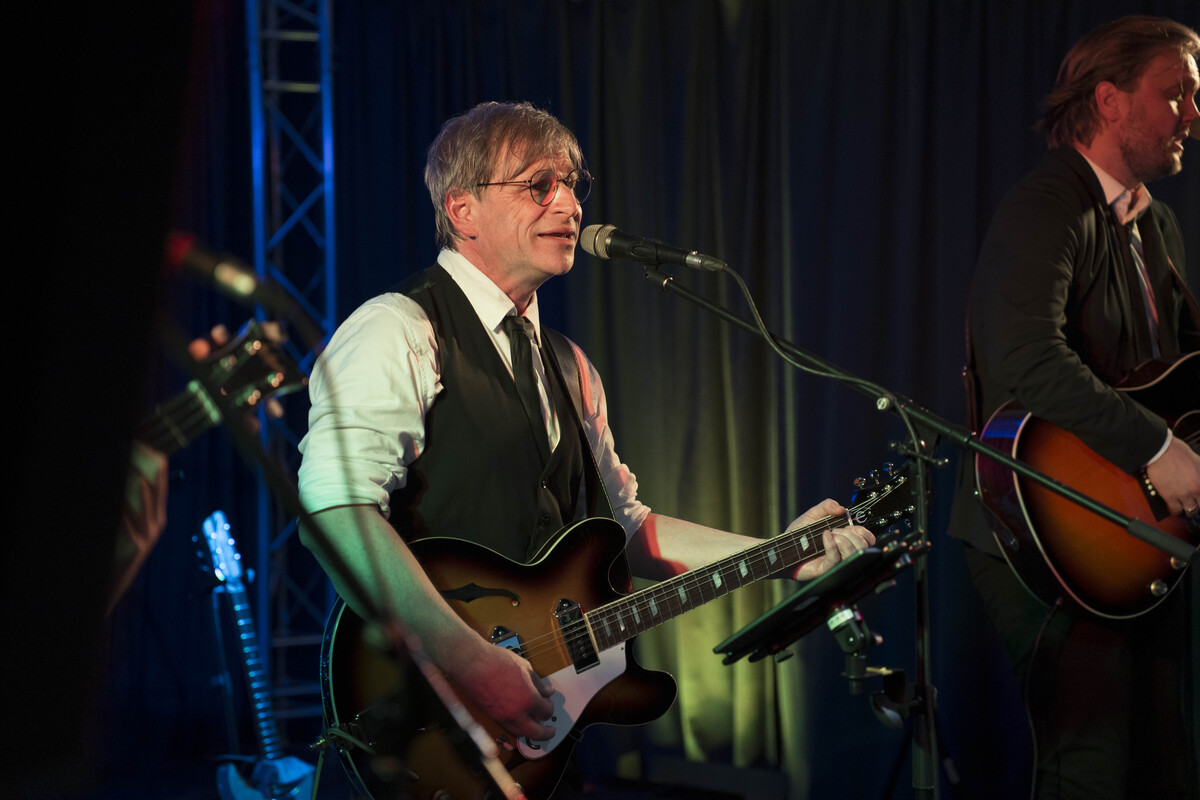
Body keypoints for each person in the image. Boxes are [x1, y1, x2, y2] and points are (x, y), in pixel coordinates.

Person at [296, 101, 875, 795]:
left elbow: (625, 526)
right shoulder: (397, 328)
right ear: (462, 209)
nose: (569, 204)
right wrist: (471, 661)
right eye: (538, 185)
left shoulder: (571, 368)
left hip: (542, 742)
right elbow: (334, 513)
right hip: (417, 725)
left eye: (573, 184)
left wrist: (782, 553)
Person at [949, 15, 1200, 800]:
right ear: (1110, 100)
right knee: (1089, 768)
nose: (1193, 115)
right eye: (1176, 94)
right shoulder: (1047, 206)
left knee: (1167, 767)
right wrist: (1157, 449)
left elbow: (1178, 379)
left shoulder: (1156, 224)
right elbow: (1026, 358)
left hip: (1137, 536)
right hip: (1045, 526)